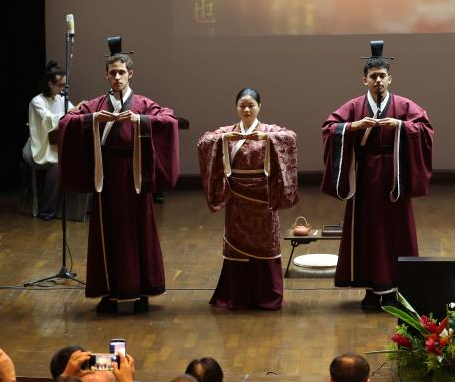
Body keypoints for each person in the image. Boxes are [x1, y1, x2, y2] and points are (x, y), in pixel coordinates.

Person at [58, 38, 180, 313]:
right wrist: (93, 119)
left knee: (139, 231)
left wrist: (141, 120)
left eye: (121, 72)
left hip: (135, 175)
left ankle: (142, 291)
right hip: (107, 176)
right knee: (108, 231)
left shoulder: (143, 104)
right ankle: (108, 292)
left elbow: (169, 119)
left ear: (130, 74)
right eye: (112, 72)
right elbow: (66, 121)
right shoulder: (96, 104)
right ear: (106, 75)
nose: (117, 77)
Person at [321, 41, 434, 311]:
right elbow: (330, 127)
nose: (378, 81)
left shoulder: (404, 105)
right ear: (365, 80)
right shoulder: (354, 106)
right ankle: (371, 289)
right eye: (373, 76)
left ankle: (394, 288)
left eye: (383, 76)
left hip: (394, 177)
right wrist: (353, 126)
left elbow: (425, 129)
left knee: (396, 230)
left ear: (390, 78)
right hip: (365, 179)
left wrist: (401, 126)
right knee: (367, 230)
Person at [197, 88, 299, 309]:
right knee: (237, 242)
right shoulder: (228, 131)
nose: (246, 110)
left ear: (259, 107)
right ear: (236, 107)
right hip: (237, 197)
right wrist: (225, 138)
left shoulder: (270, 130)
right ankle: (238, 296)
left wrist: (267, 138)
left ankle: (267, 296)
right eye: (242, 105)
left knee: (265, 242)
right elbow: (204, 141)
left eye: (251, 105)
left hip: (263, 197)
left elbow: (290, 137)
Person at [22, 61, 73, 219]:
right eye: (60, 85)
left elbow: (73, 113)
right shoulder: (37, 101)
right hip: (36, 149)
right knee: (57, 165)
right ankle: (47, 210)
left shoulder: (60, 99)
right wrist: (71, 113)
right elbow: (49, 120)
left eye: (65, 85)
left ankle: (72, 210)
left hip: (53, 146)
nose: (63, 88)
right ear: (50, 84)